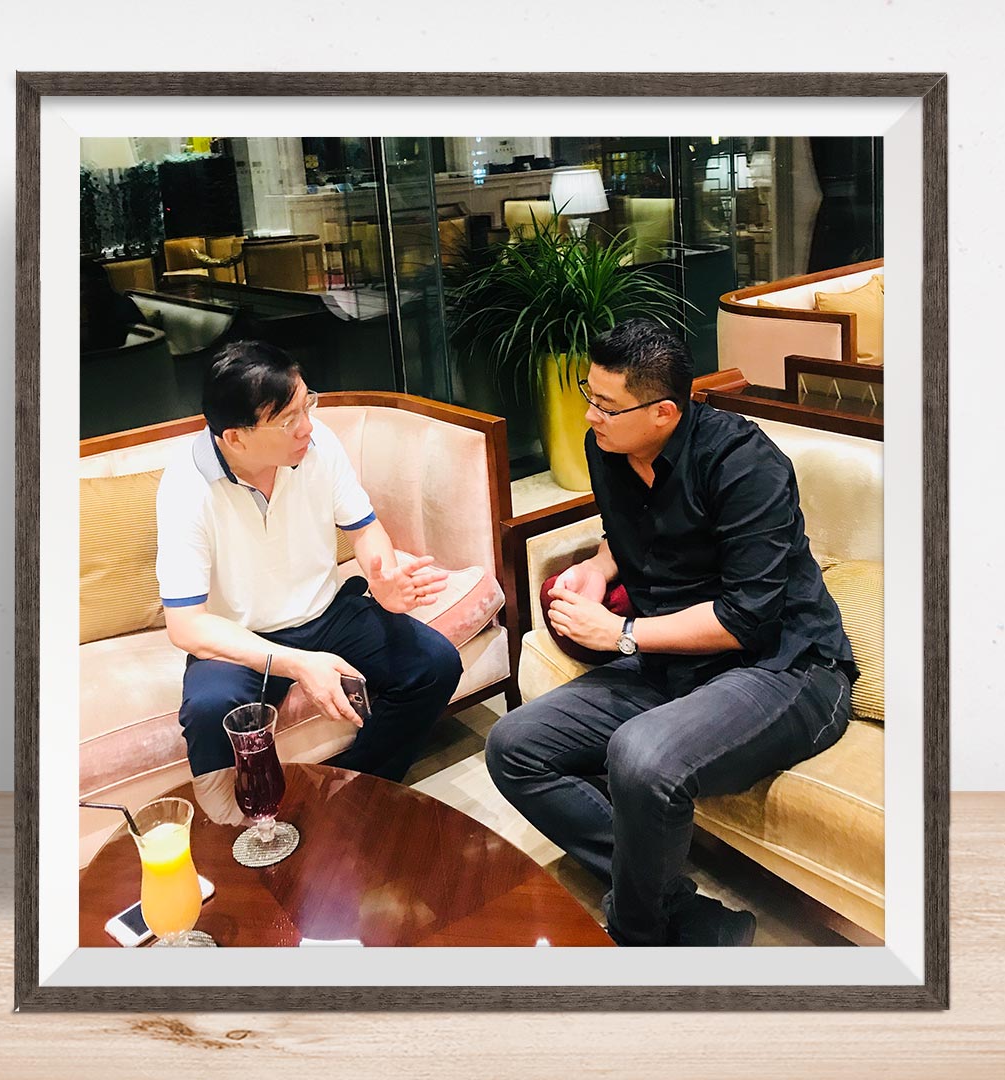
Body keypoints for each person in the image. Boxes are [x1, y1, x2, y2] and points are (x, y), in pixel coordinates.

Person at [485, 320, 858, 947]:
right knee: (513, 745)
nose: (591, 415)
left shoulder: (745, 465)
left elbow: (747, 617)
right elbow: (628, 531)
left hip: (787, 668)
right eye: (589, 395)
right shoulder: (608, 448)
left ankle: (638, 940)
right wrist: (598, 569)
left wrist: (622, 634)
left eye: (606, 405)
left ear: (663, 412)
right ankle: (679, 912)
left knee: (641, 756)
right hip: (676, 660)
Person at [156, 340, 463, 822]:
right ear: (235, 438)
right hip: (241, 635)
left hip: (327, 612)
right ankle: (237, 831)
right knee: (211, 709)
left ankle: (353, 797)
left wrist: (382, 576)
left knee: (434, 664)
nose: (307, 427)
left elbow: (364, 529)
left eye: (307, 405)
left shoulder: (318, 446)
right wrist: (299, 664)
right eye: (288, 420)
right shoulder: (186, 486)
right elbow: (187, 625)